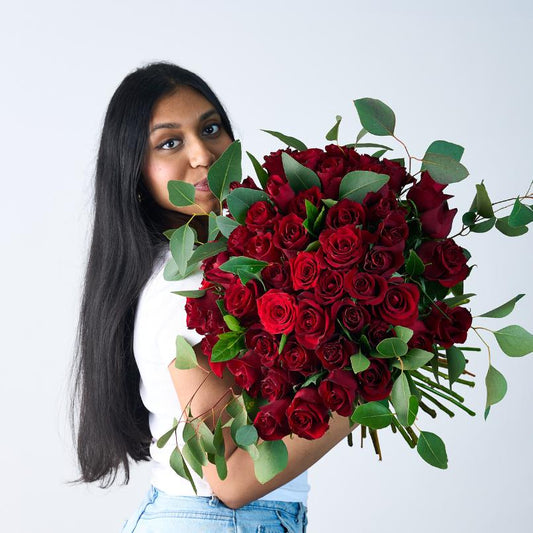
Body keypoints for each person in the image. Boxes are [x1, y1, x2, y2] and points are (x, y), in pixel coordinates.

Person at [69, 61, 358, 532]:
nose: (203, 154)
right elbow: (233, 478)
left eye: (211, 128)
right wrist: (367, 392)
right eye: (170, 142)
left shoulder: (209, 267)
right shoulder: (189, 283)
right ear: (135, 173)